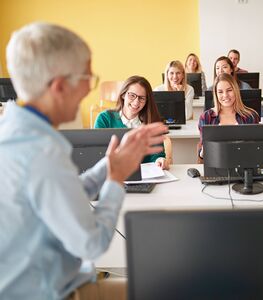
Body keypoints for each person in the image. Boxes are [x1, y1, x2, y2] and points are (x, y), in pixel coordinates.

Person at [0, 22, 167, 300]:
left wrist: (110, 163)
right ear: (60, 86)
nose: (90, 88)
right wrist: (115, 179)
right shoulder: (42, 152)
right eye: (87, 78)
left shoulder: (15, 131)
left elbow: (64, 193)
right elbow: (92, 243)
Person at [94, 75, 169, 169]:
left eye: (142, 98)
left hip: (144, 178)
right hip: (111, 175)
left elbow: (157, 155)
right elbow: (97, 154)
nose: (136, 102)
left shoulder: (151, 123)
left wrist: (160, 160)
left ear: (146, 101)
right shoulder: (104, 119)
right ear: (123, 95)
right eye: (132, 95)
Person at [198, 73, 260, 160]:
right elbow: (201, 152)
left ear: (235, 90)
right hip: (216, 167)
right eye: (220, 92)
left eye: (229, 90)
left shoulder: (251, 116)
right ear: (216, 94)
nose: (225, 95)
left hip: (244, 167)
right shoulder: (206, 117)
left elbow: (257, 150)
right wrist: (202, 152)